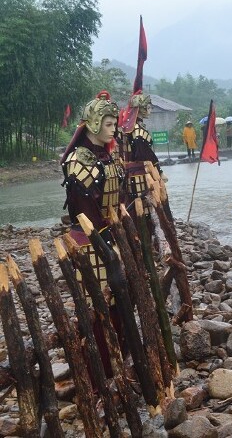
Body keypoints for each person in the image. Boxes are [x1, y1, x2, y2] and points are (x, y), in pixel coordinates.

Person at [61, 90, 125, 376]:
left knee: (118, 299)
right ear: (94, 124)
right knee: (99, 304)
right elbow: (86, 212)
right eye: (109, 124)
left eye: (114, 124)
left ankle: (119, 359)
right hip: (90, 241)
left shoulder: (104, 155)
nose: (113, 130)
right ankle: (101, 373)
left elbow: (115, 198)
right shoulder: (80, 160)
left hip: (110, 233)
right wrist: (109, 243)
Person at [118, 90, 165, 217]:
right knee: (144, 207)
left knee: (137, 204)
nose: (150, 110)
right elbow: (145, 155)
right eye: (148, 107)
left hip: (130, 173)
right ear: (141, 109)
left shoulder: (128, 128)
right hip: (140, 173)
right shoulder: (138, 131)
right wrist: (158, 171)